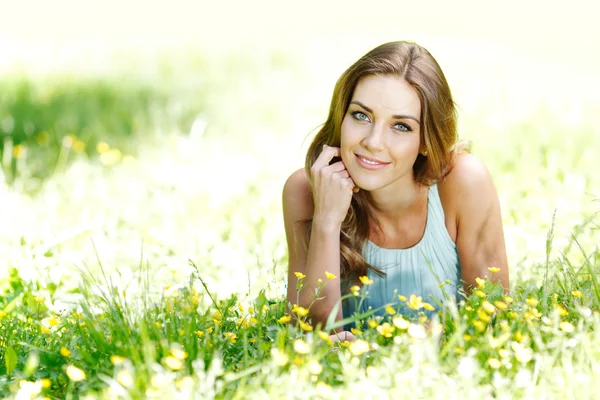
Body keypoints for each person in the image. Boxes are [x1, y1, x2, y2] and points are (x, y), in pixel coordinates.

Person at [282, 41, 509, 341]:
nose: (374, 142)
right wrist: (326, 222)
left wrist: (400, 350)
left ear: (426, 140)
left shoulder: (463, 182)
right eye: (361, 115)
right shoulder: (307, 190)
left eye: (401, 126)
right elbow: (308, 335)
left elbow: (493, 317)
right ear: (341, 115)